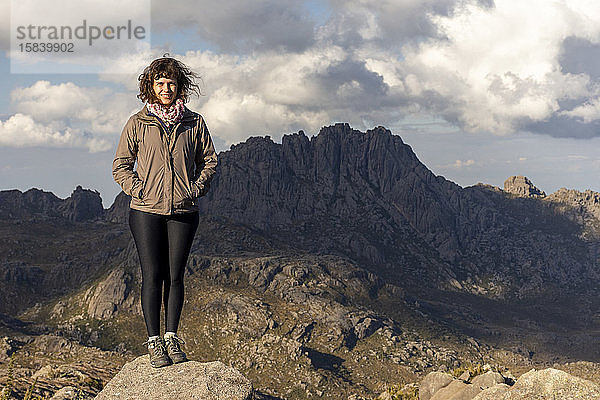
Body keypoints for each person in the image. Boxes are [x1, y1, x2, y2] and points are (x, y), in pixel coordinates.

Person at [112, 56, 217, 368]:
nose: (166, 88)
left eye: (171, 82)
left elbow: (210, 160)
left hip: (184, 209)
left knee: (175, 276)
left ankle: (172, 337)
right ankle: (154, 342)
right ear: (151, 87)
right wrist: (138, 189)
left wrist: (195, 188)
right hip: (145, 210)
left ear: (178, 85)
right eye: (160, 83)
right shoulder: (138, 122)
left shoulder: (194, 122)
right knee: (152, 275)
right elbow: (120, 163)